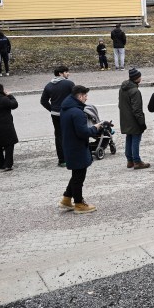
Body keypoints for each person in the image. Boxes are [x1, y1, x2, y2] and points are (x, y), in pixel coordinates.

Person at [58, 86, 103, 214]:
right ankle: (79, 204)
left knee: (76, 175)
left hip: (70, 145)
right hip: (77, 147)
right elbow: (83, 132)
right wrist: (96, 128)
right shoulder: (77, 112)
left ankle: (66, 199)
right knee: (79, 177)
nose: (86, 98)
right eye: (85, 96)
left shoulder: (66, 108)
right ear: (79, 96)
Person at [40, 66, 74, 167]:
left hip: (55, 114)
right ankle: (72, 156)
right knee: (70, 134)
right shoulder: (69, 84)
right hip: (67, 113)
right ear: (60, 73)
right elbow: (76, 96)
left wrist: (52, 109)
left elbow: (43, 101)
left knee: (59, 136)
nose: (68, 74)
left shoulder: (48, 85)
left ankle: (62, 160)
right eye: (66, 72)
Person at [118, 68, 149, 170]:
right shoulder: (135, 91)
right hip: (134, 120)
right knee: (136, 139)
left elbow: (120, 104)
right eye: (140, 76)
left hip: (125, 119)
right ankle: (137, 161)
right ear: (137, 78)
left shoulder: (123, 88)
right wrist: (142, 123)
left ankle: (129, 160)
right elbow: (137, 110)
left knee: (129, 138)